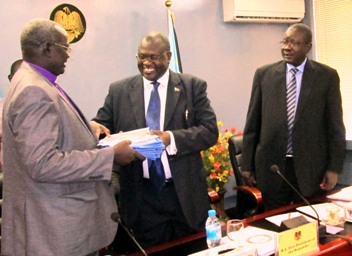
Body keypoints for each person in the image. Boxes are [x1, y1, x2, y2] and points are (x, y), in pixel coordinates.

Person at [1, 18, 144, 256]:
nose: (69, 55)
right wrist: (110, 156)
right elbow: (42, 164)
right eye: (65, 47)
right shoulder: (34, 90)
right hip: (53, 227)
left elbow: (41, 132)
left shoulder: (31, 80)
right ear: (47, 48)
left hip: (51, 221)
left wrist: (86, 128)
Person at [90, 31, 218, 249]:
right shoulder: (119, 90)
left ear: (168, 56)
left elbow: (209, 131)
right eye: (141, 57)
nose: (146, 63)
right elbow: (103, 126)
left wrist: (171, 138)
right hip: (142, 197)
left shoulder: (192, 86)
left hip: (184, 196)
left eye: (153, 57)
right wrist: (94, 125)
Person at [241, 23, 346, 210]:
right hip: (272, 167)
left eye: (294, 43)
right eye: (285, 41)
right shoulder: (264, 74)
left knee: (308, 223)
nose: (287, 47)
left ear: (308, 47)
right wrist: (247, 165)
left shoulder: (326, 76)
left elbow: (335, 126)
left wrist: (334, 168)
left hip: (310, 168)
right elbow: (252, 123)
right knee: (274, 223)